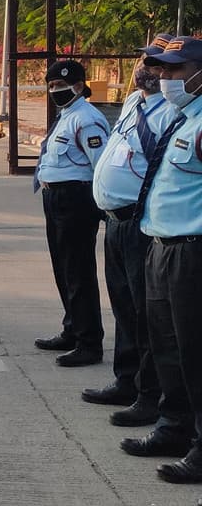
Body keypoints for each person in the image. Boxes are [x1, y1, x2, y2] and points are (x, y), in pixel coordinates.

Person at [83, 38, 175, 426]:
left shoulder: (171, 112)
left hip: (140, 222)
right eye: (146, 60)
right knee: (123, 305)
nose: (148, 69)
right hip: (114, 221)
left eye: (158, 65)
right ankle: (126, 379)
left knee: (147, 313)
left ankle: (149, 395)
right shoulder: (133, 103)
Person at [131, 36, 202, 484]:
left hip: (192, 251)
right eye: (162, 69)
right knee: (168, 347)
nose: (164, 78)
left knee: (196, 352)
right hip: (160, 246)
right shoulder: (181, 118)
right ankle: (174, 426)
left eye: (174, 70)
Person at [32, 60, 110, 367]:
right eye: (51, 86)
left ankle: (89, 342)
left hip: (76, 198)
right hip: (55, 197)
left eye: (61, 86)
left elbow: (100, 165)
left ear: (79, 86)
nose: (55, 91)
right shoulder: (66, 115)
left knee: (78, 272)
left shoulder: (87, 119)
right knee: (63, 268)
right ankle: (73, 329)